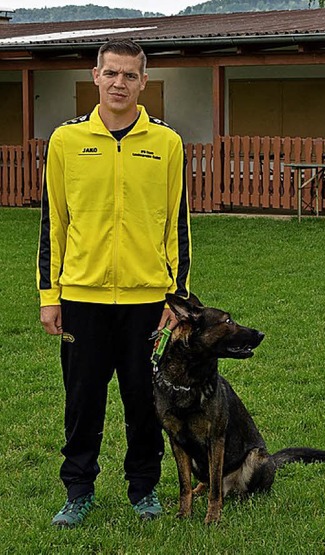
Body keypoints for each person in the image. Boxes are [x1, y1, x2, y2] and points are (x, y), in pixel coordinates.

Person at [37, 38, 191, 528]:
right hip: (82, 297)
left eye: (130, 75)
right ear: (95, 77)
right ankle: (78, 490)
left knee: (144, 400)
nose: (120, 83)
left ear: (144, 82)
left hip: (148, 300)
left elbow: (177, 226)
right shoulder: (65, 141)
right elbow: (53, 224)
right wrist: (50, 296)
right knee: (83, 401)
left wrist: (176, 298)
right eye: (112, 73)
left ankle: (144, 488)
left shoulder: (166, 143)